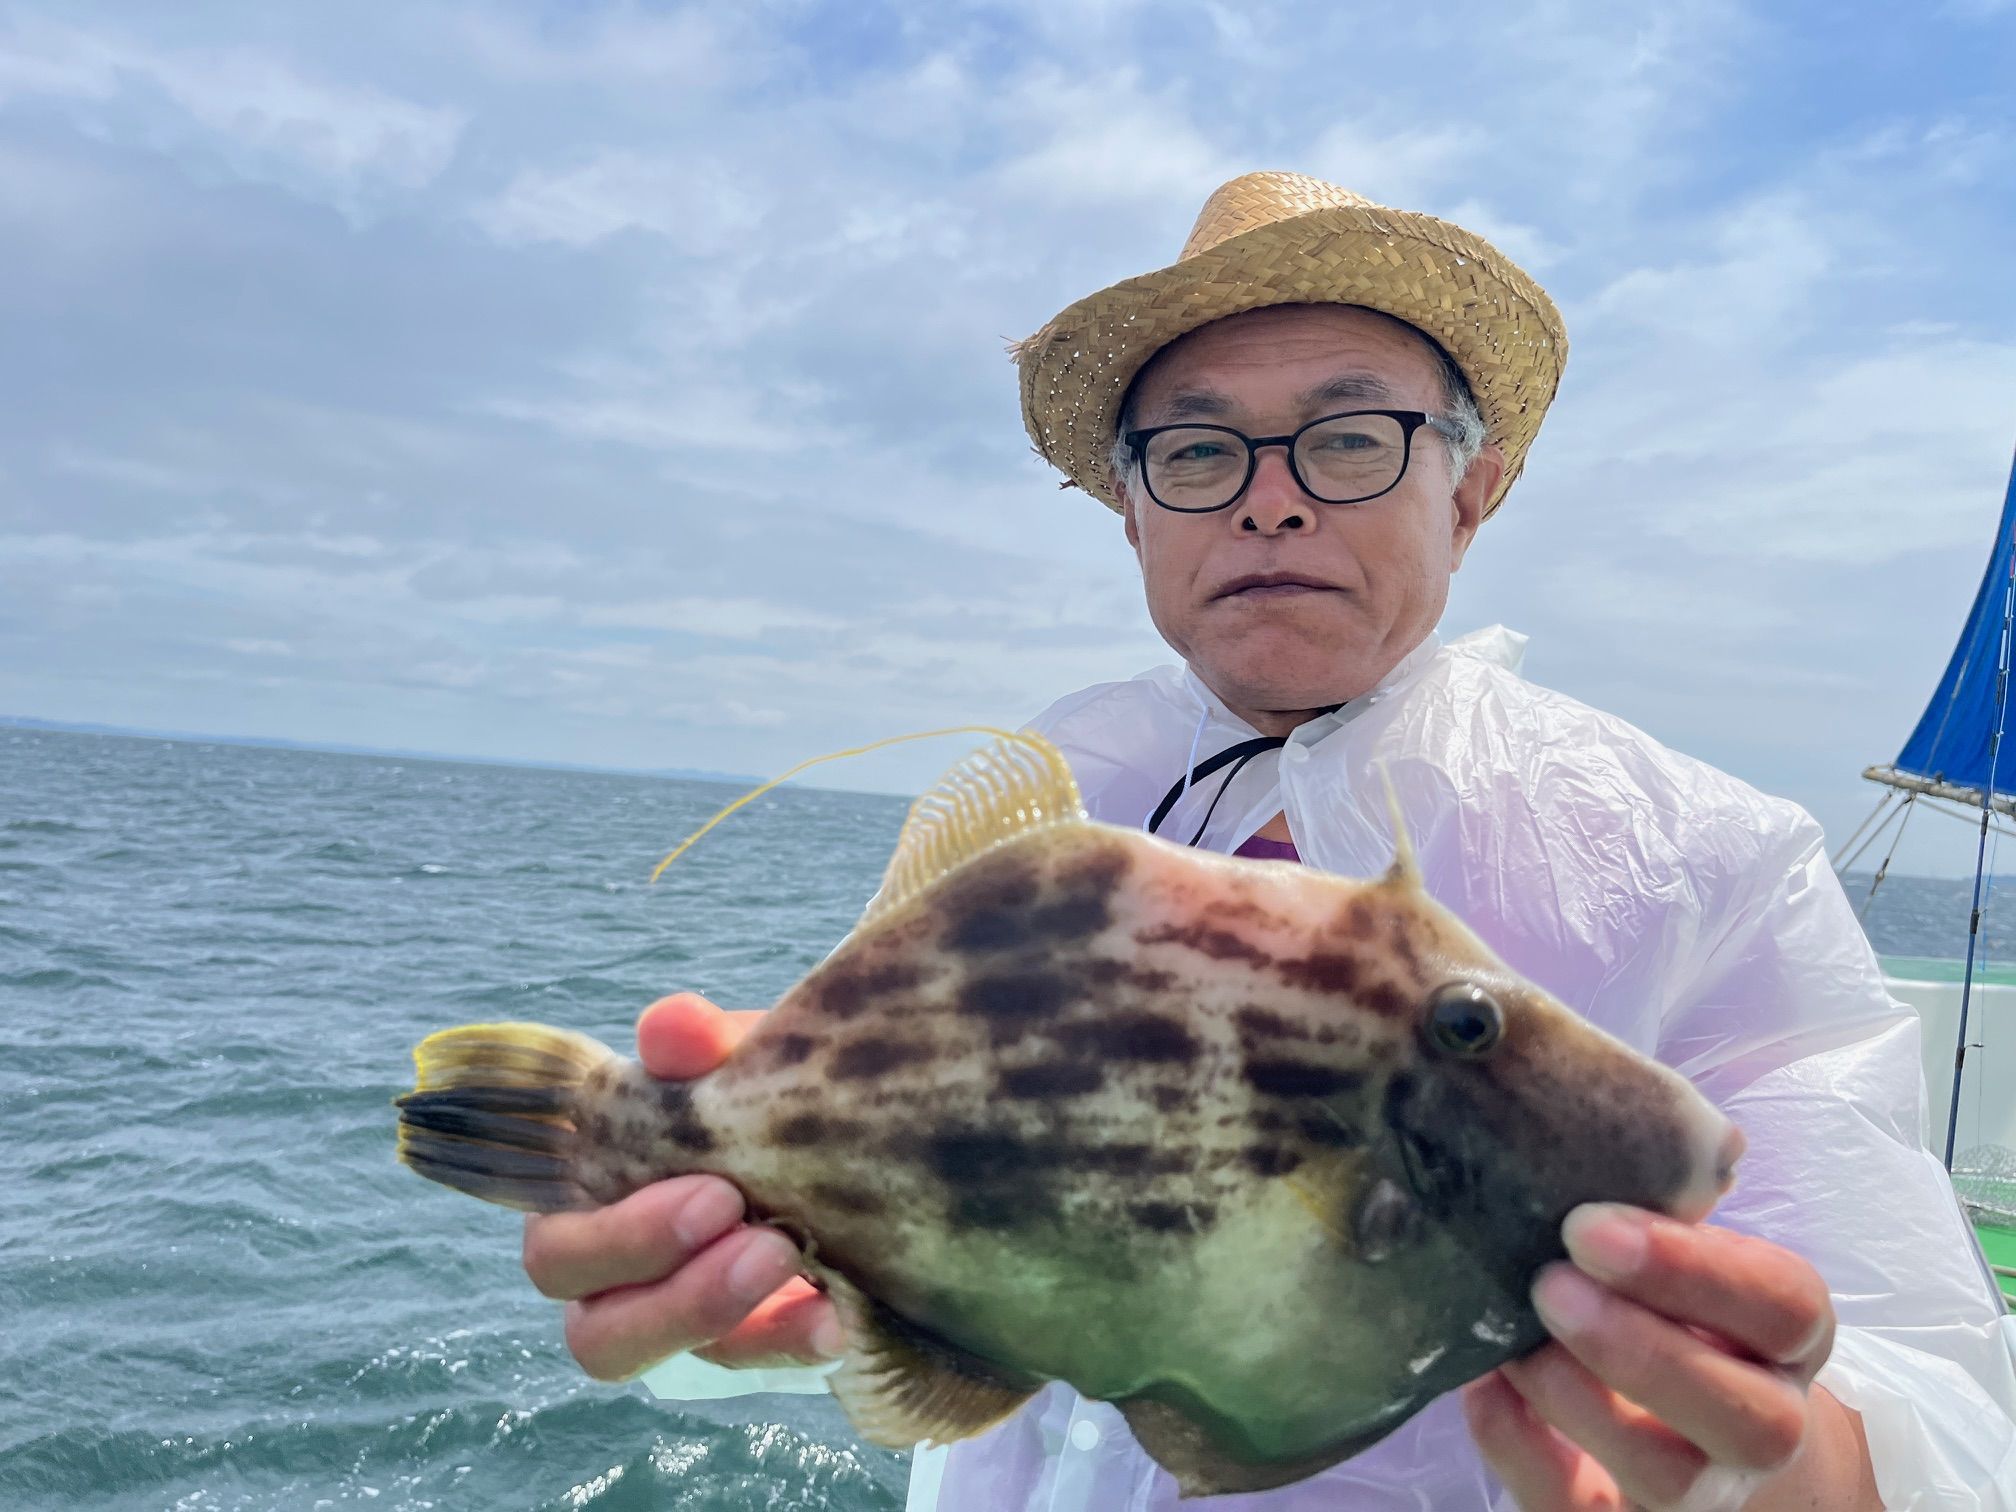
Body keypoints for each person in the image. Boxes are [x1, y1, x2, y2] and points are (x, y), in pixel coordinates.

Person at [518, 173, 2016, 1508]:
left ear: (1472, 489)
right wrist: (716, 1281)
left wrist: (1791, 1473)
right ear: (1134, 514)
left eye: (1349, 439)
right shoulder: (1059, 796)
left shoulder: (1708, 858)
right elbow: (861, 1252)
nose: (1272, 503)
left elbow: (1930, 1390)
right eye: (1198, 452)